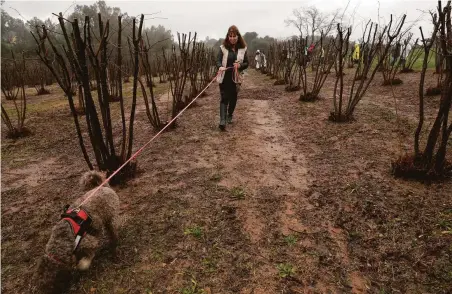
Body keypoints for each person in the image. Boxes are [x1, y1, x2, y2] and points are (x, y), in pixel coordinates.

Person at [216, 25, 249, 131]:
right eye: (230, 36)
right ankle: (222, 121)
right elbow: (218, 60)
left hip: (236, 78)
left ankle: (230, 114)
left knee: (233, 98)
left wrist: (240, 65)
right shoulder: (223, 48)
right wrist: (220, 66)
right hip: (224, 77)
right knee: (224, 98)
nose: (232, 38)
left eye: (234, 36)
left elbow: (247, 63)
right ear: (228, 37)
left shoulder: (243, 49)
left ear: (238, 36)